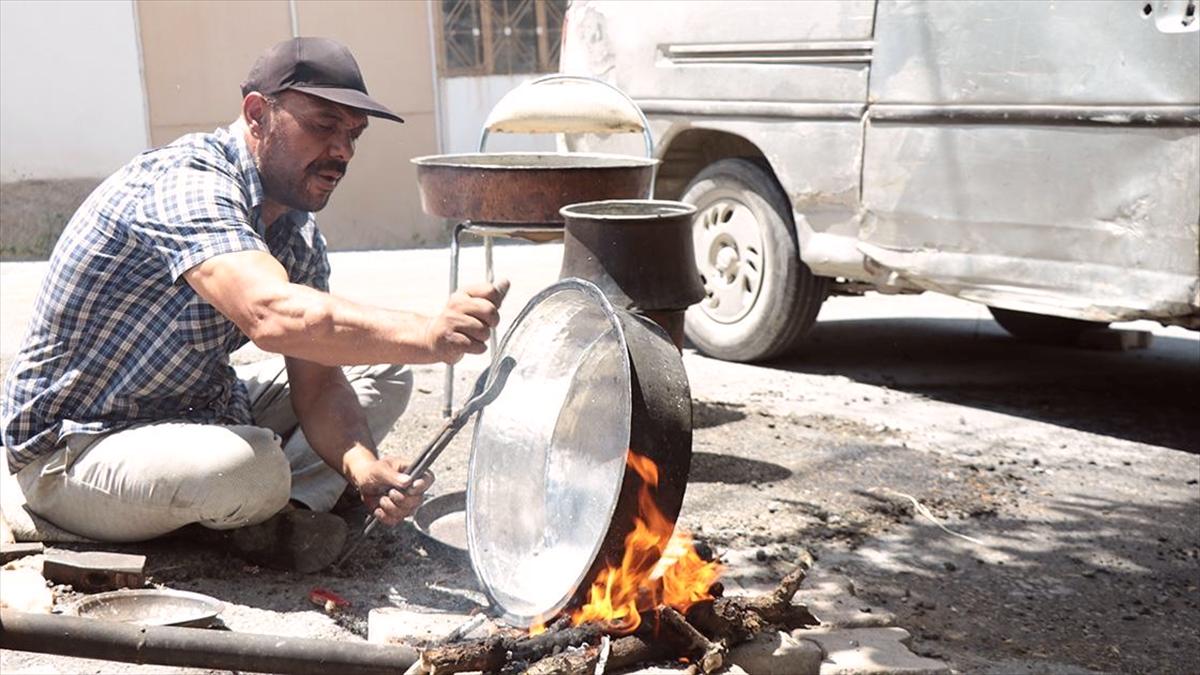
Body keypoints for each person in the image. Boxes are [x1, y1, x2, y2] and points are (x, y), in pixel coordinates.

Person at [0, 37, 506, 572]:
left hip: (192, 412)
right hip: (77, 448)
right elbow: (272, 316)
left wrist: (362, 467)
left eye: (353, 134)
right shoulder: (186, 183)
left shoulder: (296, 229)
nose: (343, 151)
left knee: (384, 368)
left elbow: (319, 381)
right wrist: (429, 335)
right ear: (257, 113)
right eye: (324, 125)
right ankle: (256, 505)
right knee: (249, 467)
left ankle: (277, 514)